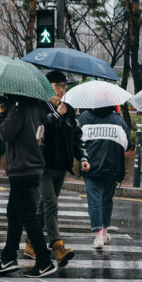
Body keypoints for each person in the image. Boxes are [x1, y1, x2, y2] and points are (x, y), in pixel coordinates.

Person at [0, 95, 58, 278]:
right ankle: (9, 257)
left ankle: (44, 261)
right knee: (14, 214)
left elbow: (6, 134)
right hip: (31, 167)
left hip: (23, 168)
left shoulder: (19, 108)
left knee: (27, 216)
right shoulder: (36, 107)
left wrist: (1, 116)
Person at [26, 71, 89, 267]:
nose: (62, 90)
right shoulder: (39, 107)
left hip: (61, 166)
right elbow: (38, 130)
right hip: (42, 166)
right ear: (48, 86)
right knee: (51, 205)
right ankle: (58, 247)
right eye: (58, 85)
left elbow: (76, 137)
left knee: (43, 208)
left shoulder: (68, 110)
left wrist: (83, 157)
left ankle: (30, 244)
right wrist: (55, 114)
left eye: (64, 86)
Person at [78, 105, 131, 249]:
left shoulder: (84, 118)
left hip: (90, 165)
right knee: (107, 200)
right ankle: (105, 232)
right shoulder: (118, 120)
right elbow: (127, 144)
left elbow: (76, 140)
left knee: (94, 200)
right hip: (112, 166)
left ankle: (98, 236)